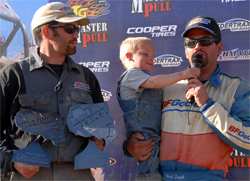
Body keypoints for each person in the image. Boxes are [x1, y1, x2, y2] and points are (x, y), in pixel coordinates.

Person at [123, 16, 250, 180]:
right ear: (185, 50)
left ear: (219, 48)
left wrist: (208, 105)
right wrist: (129, 146)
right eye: (191, 43)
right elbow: (142, 125)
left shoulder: (237, 88)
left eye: (205, 41)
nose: (197, 47)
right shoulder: (165, 87)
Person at [0, 2, 105, 180]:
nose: (76, 35)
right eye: (70, 28)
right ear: (47, 32)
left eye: (78, 29)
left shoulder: (86, 77)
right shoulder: (13, 75)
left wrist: (98, 140)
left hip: (78, 175)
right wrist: (12, 162)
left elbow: (101, 129)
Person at [117, 37, 200, 180]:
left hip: (156, 136)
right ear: (129, 56)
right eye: (145, 54)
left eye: (153, 56)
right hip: (144, 137)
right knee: (149, 173)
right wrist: (183, 75)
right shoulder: (132, 75)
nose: (151, 59)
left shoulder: (144, 79)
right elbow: (154, 82)